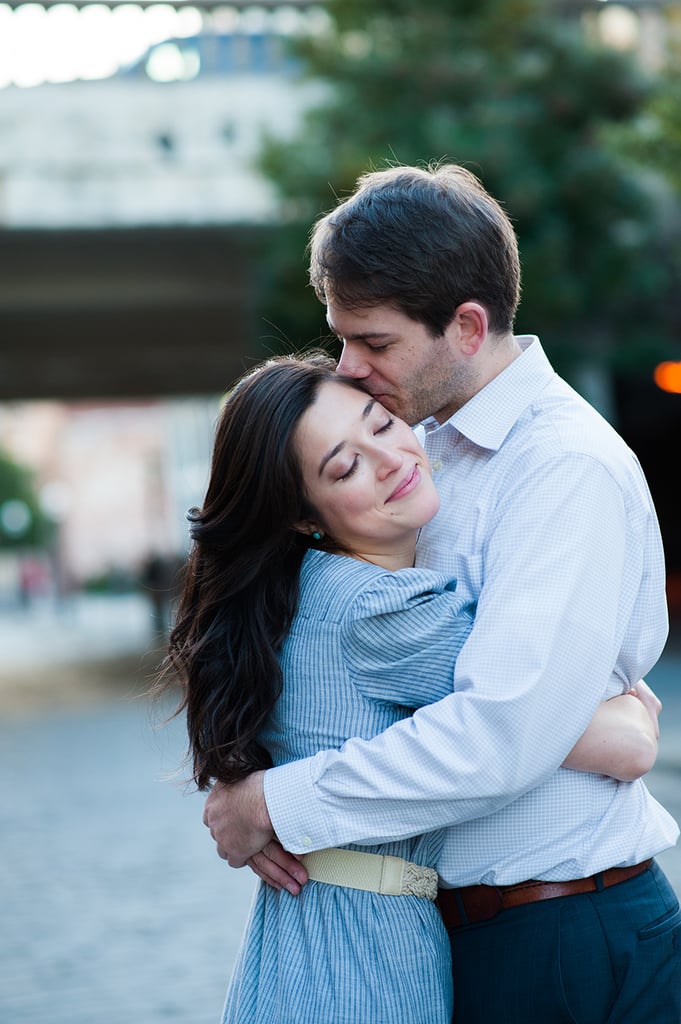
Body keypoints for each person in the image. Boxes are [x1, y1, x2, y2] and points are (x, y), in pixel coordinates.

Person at [203, 163, 681, 1023]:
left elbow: (497, 735)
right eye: (339, 337)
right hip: (451, 933)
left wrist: (279, 803)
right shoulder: (417, 449)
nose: (348, 369)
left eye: (374, 343)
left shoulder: (559, 467)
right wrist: (254, 778)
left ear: (466, 326)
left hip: (562, 926)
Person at [164, 355, 659, 1024]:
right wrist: (629, 711)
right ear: (301, 516)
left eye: (384, 423)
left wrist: (262, 804)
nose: (391, 458)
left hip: (306, 943)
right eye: (344, 468)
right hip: (364, 956)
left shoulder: (305, 591)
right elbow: (616, 745)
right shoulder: (382, 609)